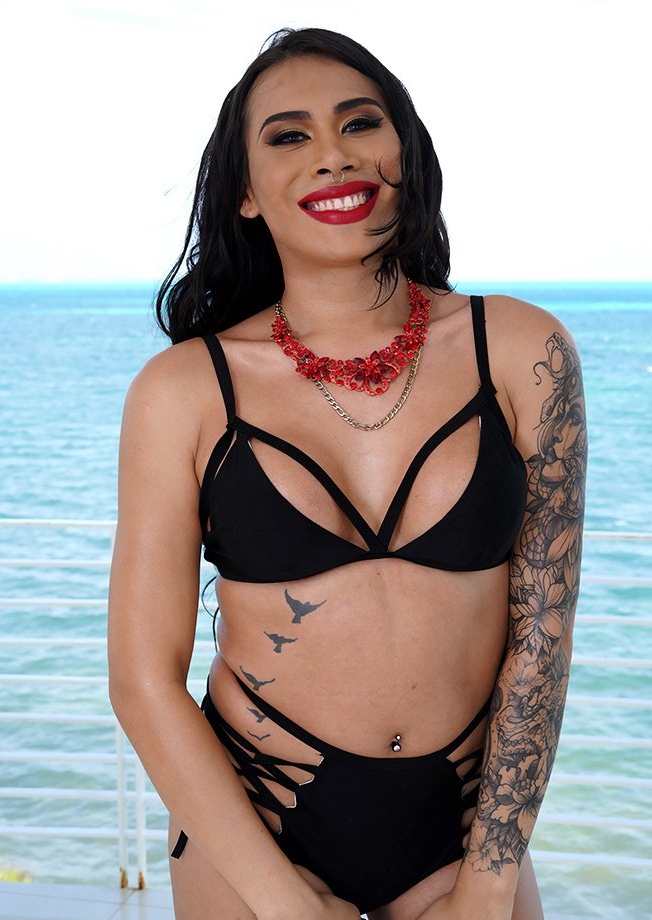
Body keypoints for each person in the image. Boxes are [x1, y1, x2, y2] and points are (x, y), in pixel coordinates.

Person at [107, 27, 587, 920]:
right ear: (245, 192)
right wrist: (281, 899)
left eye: (359, 123)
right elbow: (142, 677)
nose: (331, 154)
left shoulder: (522, 351)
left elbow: (542, 639)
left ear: (405, 152)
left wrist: (488, 881)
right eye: (288, 135)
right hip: (257, 815)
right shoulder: (184, 391)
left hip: (461, 829)